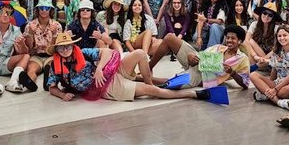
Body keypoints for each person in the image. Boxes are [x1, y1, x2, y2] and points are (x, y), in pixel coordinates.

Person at [44, 32, 218, 102]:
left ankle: (149, 82)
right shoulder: (55, 66)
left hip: (108, 72)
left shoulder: (81, 51)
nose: (66, 49)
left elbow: (106, 51)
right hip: (105, 86)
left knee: (141, 54)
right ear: (57, 49)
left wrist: (99, 68)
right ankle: (193, 94)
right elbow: (51, 87)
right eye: (62, 47)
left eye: (68, 46)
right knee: (154, 91)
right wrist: (62, 94)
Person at [0, 2, 35, 95]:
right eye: (2, 12)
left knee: (26, 56)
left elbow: (23, 52)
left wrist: (22, 44)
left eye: (8, 13)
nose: (4, 15)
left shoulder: (16, 30)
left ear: (11, 17)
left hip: (5, 62)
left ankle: (12, 82)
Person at [250, 24, 289, 110]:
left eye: (285, 35)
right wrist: (270, 85)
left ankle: (266, 95)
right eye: (279, 36)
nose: (282, 38)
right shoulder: (277, 51)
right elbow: (274, 70)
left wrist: (274, 90)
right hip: (278, 83)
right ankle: (278, 101)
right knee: (253, 75)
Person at [23, 0, 62, 87]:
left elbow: (55, 49)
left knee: (50, 68)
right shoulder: (30, 25)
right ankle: (29, 84)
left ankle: (48, 83)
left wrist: (54, 34)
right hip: (36, 56)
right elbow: (29, 48)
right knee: (31, 70)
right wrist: (30, 34)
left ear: (50, 10)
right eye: (41, 8)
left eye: (47, 8)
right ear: (37, 9)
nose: (44, 10)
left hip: (51, 56)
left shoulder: (57, 26)